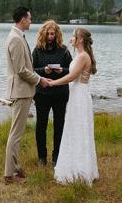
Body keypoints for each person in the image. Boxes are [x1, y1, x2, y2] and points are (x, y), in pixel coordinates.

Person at [4, 6, 51, 184]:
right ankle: (9, 175)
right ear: (22, 19)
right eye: (30, 18)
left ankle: (15, 168)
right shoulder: (15, 39)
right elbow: (22, 70)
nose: (31, 21)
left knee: (17, 132)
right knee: (15, 134)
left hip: (22, 90)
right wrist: (40, 80)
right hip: (21, 91)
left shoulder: (18, 36)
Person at [48, 27, 99, 185]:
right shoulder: (80, 55)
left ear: (80, 40)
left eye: (73, 36)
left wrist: (52, 83)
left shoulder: (83, 56)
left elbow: (71, 77)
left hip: (80, 96)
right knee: (73, 129)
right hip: (77, 94)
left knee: (79, 130)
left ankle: (80, 171)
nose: (71, 39)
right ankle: (74, 167)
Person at [32, 19, 73, 166]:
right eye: (48, 34)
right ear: (43, 34)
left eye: (53, 34)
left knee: (59, 125)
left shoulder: (64, 50)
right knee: (41, 125)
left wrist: (62, 70)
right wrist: (44, 70)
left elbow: (73, 70)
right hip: (42, 93)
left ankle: (57, 158)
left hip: (60, 93)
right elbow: (30, 71)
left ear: (57, 35)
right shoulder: (37, 50)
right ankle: (42, 158)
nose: (50, 37)